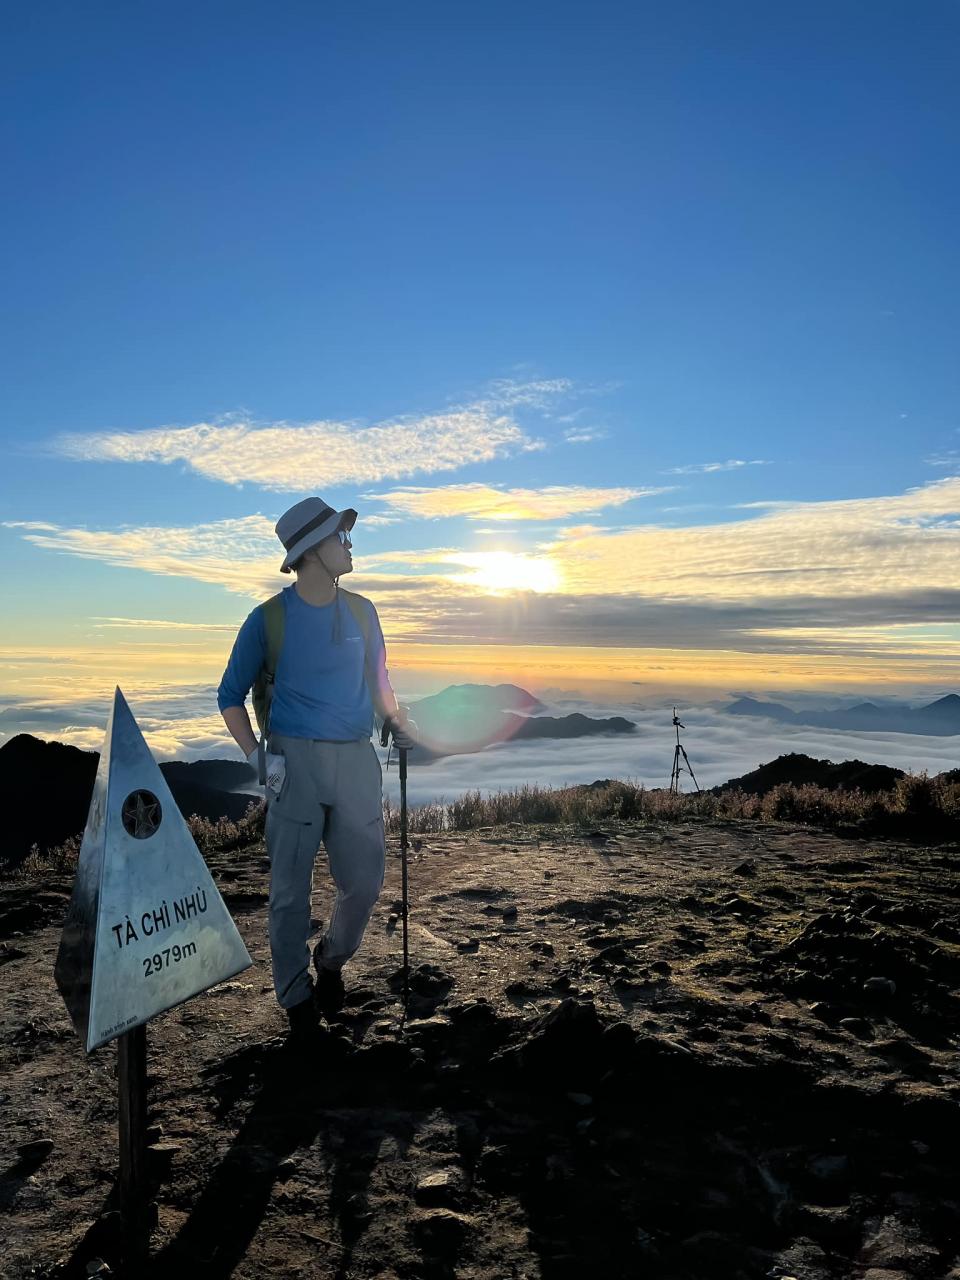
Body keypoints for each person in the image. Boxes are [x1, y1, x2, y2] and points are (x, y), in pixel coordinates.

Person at [217, 496, 416, 1039]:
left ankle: (329, 959)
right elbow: (229, 696)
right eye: (340, 537)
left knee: (365, 883)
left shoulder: (363, 611)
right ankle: (296, 1001)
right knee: (288, 895)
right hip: (293, 763)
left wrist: (395, 719)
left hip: (355, 760)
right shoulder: (267, 621)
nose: (349, 544)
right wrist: (259, 759)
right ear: (311, 550)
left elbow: (379, 682)